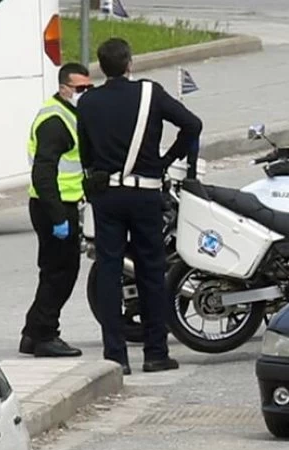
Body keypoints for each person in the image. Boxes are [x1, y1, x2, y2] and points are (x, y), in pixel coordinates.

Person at [76, 38, 203, 375]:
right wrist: (164, 160)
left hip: (107, 196)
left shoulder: (88, 102)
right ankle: (155, 353)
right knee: (151, 271)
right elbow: (193, 125)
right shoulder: (150, 93)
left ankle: (115, 357)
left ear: (101, 68)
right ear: (129, 63)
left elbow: (85, 152)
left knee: (109, 271)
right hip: (145, 193)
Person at [19, 62, 91, 358]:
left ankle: (32, 333)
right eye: (79, 89)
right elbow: (43, 173)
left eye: (89, 87)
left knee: (53, 272)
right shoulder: (55, 121)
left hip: (59, 203)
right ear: (64, 88)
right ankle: (46, 336)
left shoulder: (67, 113)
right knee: (61, 273)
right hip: (54, 206)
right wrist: (59, 217)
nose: (85, 93)